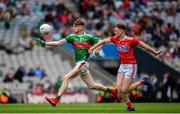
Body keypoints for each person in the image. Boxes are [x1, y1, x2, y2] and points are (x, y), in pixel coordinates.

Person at [34, 18, 118, 106]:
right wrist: (45, 43)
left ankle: (55, 100)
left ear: (81, 27)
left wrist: (97, 50)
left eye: (75, 26)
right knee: (92, 86)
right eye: (73, 26)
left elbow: (101, 42)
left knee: (66, 78)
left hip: (83, 63)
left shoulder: (88, 37)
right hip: (79, 64)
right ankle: (112, 91)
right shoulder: (71, 37)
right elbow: (58, 43)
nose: (73, 28)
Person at [89, 23, 162, 111]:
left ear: (122, 30)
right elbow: (103, 41)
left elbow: (143, 45)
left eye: (116, 30)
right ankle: (130, 107)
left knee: (125, 90)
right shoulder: (115, 39)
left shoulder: (131, 40)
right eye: (114, 30)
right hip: (122, 65)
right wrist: (93, 47)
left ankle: (142, 81)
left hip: (131, 66)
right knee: (118, 89)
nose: (114, 32)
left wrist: (154, 52)